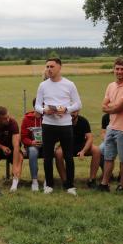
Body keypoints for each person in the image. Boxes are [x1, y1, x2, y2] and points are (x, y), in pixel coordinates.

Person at [35, 58, 82, 196]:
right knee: (47, 156)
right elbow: (37, 105)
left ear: (60, 67)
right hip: (48, 124)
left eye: (52, 66)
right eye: (47, 66)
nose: (49, 69)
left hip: (65, 125)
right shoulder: (43, 85)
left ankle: (70, 186)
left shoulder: (69, 84)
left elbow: (78, 104)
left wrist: (66, 110)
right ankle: (49, 185)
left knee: (68, 156)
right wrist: (44, 110)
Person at [98, 57, 123, 193]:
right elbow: (103, 106)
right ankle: (104, 184)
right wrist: (111, 107)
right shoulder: (111, 86)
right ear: (114, 70)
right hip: (111, 127)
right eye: (117, 69)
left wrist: (110, 107)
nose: (119, 71)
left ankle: (122, 185)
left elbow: (118, 108)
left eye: (122, 69)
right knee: (108, 158)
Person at [54, 112, 100, 189]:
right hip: (65, 145)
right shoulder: (62, 121)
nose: (72, 113)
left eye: (74, 111)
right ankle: (65, 181)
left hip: (81, 144)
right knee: (58, 153)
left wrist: (83, 151)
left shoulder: (83, 121)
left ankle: (92, 180)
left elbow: (90, 138)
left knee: (96, 150)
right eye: (70, 111)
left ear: (78, 111)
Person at [20, 99, 43, 191]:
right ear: (35, 107)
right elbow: (23, 137)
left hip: (45, 145)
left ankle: (48, 181)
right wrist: (31, 142)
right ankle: (34, 181)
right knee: (33, 151)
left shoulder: (48, 118)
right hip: (32, 146)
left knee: (50, 151)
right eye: (41, 106)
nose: (43, 108)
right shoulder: (27, 119)